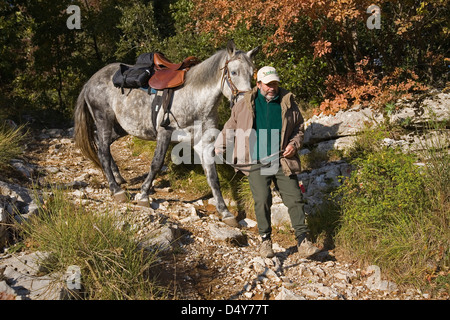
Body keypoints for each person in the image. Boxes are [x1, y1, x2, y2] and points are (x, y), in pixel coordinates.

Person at [215, 66, 320, 258]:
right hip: (256, 159)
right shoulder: (245, 104)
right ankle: (265, 241)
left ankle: (303, 241)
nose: (272, 87)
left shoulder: (288, 102)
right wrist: (220, 145)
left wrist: (294, 145)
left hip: (282, 158)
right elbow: (230, 126)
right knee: (262, 200)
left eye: (275, 83)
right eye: (268, 84)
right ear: (259, 84)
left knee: (295, 198)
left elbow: (299, 128)